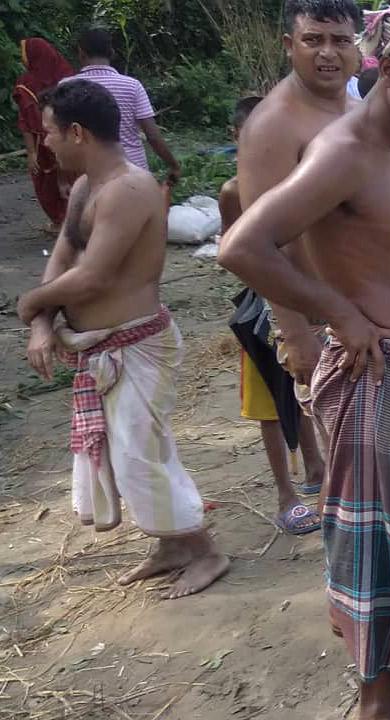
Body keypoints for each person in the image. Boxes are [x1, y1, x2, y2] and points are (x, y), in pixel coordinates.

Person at [218, 2, 390, 718]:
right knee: (378, 557)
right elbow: (241, 244)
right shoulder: (343, 152)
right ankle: (379, 704)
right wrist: (334, 315)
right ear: (388, 69)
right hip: (379, 381)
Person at [19, 80, 227, 600]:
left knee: (139, 452)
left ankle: (205, 550)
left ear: (76, 132)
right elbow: (63, 258)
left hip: (139, 343)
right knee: (125, 453)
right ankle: (172, 544)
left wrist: (29, 305)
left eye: (48, 133)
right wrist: (42, 320)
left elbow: (94, 276)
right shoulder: (89, 186)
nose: (45, 143)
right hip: (103, 346)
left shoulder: (130, 189)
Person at [235, 0, 362, 412]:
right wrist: (294, 333)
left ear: (356, 46)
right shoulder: (273, 126)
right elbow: (257, 246)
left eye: (340, 41)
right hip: (322, 322)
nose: (328, 52)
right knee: (355, 465)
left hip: (371, 310)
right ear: (290, 45)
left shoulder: (357, 111)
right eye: (314, 40)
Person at [220, 96, 327, 535]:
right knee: (269, 404)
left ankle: (319, 471)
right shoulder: (232, 192)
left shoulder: (307, 184)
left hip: (313, 304)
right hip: (266, 314)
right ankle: (285, 492)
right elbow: (234, 251)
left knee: (315, 395)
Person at [65, 28, 180, 185]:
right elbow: (152, 136)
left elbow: (62, 136)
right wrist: (173, 165)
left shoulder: (67, 87)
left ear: (81, 52)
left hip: (87, 176)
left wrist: (62, 180)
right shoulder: (132, 86)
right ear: (111, 52)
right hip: (133, 172)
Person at [13, 38, 75, 234]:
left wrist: (31, 152)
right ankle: (72, 221)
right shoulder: (68, 76)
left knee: (46, 183)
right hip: (71, 140)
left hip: (43, 144)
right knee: (73, 179)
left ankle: (60, 221)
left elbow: (26, 121)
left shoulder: (26, 84)